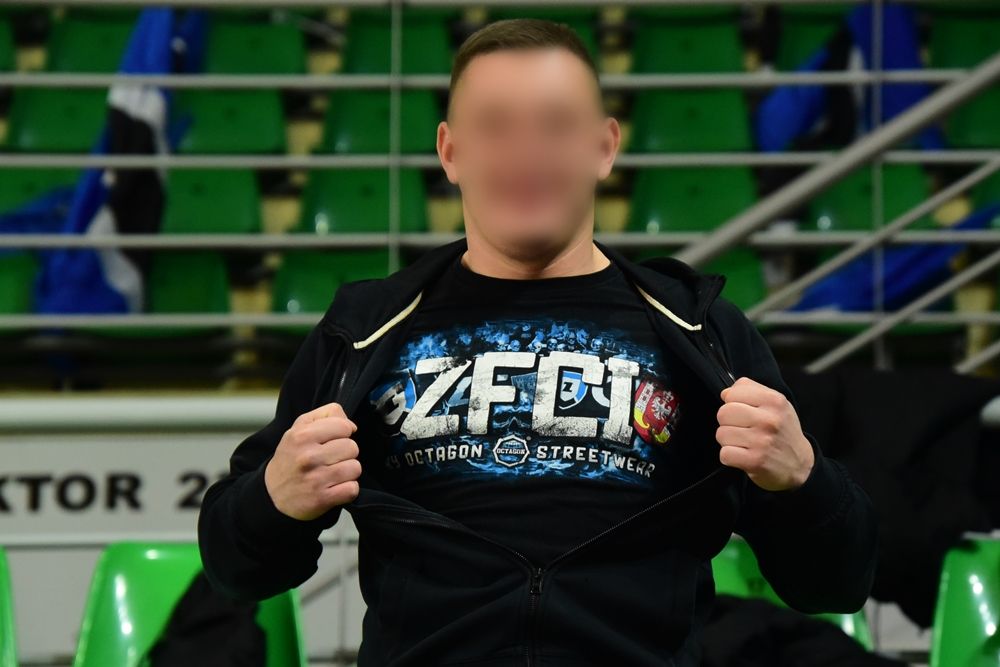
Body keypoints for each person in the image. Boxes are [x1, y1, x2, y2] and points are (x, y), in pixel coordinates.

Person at [198, 18, 878, 666]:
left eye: (555, 126)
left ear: (604, 148)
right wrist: (273, 500)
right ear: (450, 152)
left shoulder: (700, 333)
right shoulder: (369, 329)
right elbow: (237, 570)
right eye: (496, 127)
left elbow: (836, 583)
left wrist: (805, 479)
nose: (526, 154)